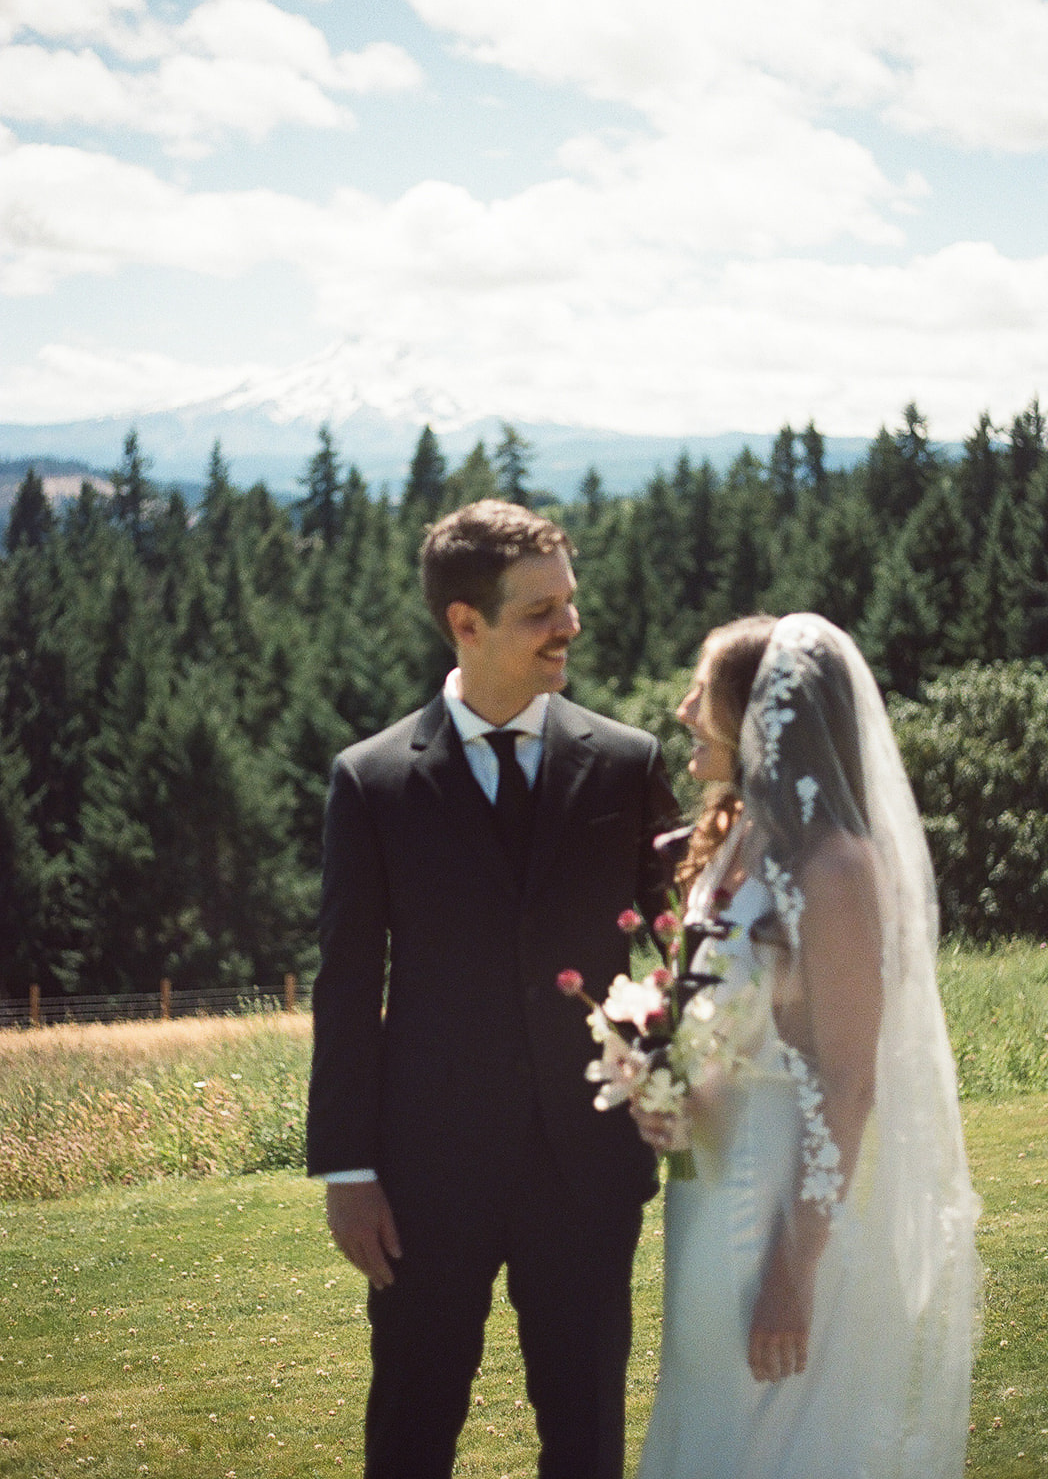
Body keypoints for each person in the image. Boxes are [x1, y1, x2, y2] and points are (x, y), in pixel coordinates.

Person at [306, 499, 680, 1479]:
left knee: (587, 1436)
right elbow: (346, 983)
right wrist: (345, 1170)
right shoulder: (371, 780)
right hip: (424, 1177)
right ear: (463, 623)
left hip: (588, 1167)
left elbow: (679, 950)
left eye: (570, 601)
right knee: (411, 1430)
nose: (569, 627)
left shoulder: (628, 763)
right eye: (538, 611)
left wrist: (666, 1071)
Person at [633, 612, 980, 1479]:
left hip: (774, 1195)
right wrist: (664, 1080)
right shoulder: (743, 838)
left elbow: (849, 1080)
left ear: (758, 714)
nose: (682, 710)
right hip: (707, 1186)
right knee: (708, 1415)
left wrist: (793, 1266)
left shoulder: (834, 868)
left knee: (770, 1433)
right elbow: (728, 1019)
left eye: (700, 690)